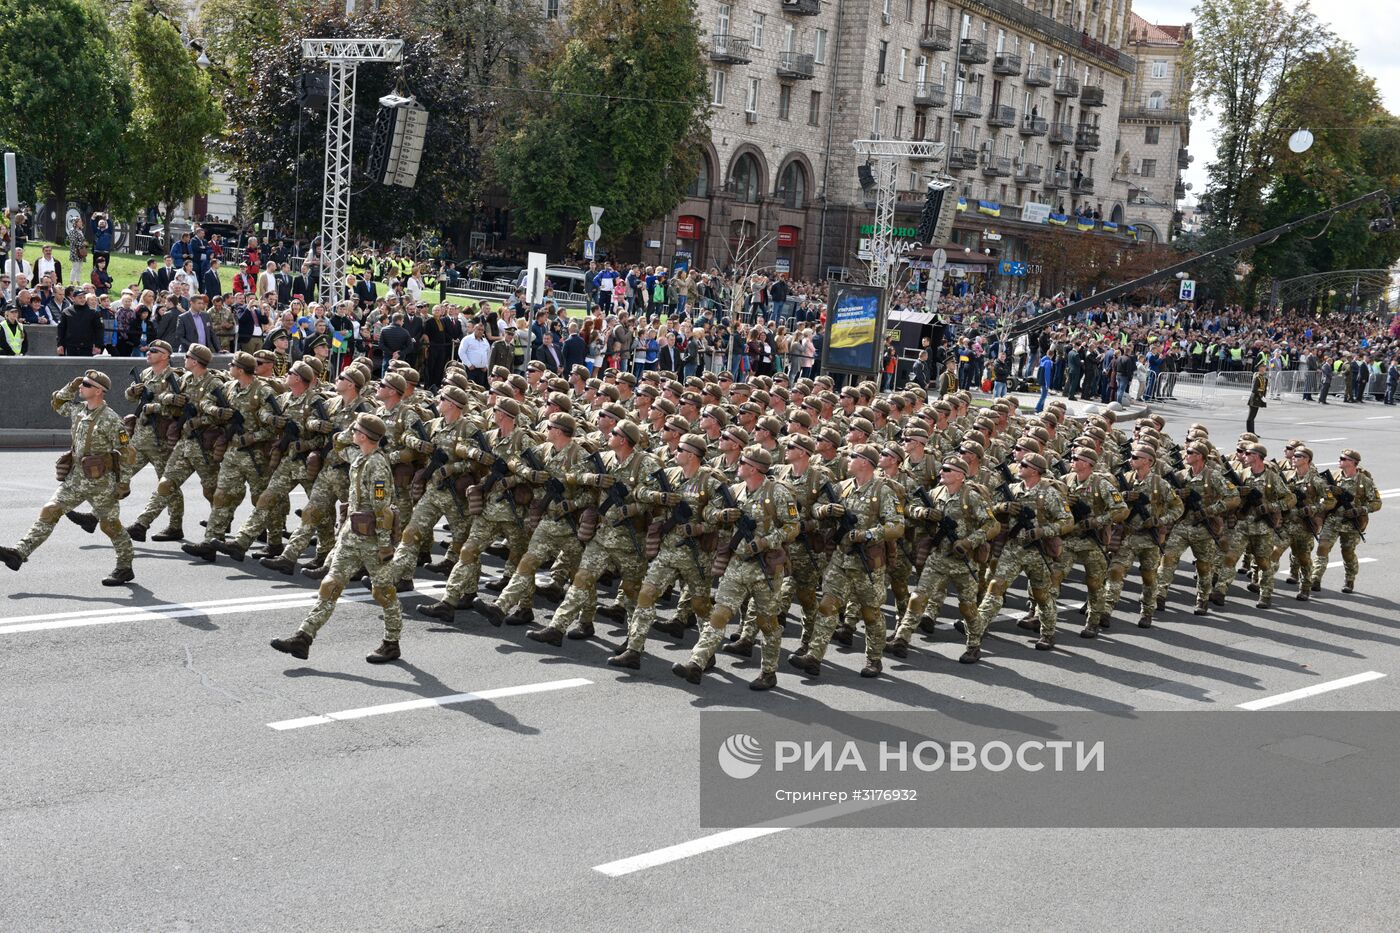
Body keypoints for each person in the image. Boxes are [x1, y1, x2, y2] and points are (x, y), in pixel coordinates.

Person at [269, 412, 406, 664]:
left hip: (373, 539)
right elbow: (338, 443)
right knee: (330, 585)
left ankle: (391, 643)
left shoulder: (377, 465)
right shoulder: (358, 455)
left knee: (383, 592)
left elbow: (382, 508)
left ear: (363, 436)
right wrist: (351, 432)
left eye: (356, 430)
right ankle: (304, 637)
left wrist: (386, 544)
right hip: (351, 535)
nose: (351, 432)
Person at [0, 371, 136, 586]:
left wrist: (124, 483)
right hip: (76, 478)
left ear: (99, 391)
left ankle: (125, 567)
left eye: (86, 384)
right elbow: (58, 402)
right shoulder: (78, 410)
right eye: (82, 383)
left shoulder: (111, 419)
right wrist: (71, 386)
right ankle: (19, 553)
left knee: (110, 526)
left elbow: (127, 453)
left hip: (101, 483)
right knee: (50, 509)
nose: (81, 387)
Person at [1312, 448, 1381, 594]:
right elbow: (1320, 493)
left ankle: (1349, 580)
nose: (1340, 460)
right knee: (1322, 547)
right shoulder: (1334, 476)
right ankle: (1315, 579)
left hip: (1351, 523)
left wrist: (1359, 510)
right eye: (1340, 458)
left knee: (1348, 552)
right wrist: (1329, 489)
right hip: (1332, 519)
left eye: (1343, 459)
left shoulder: (1364, 481)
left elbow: (1376, 503)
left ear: (1353, 463)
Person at [1246, 362, 1268, 434]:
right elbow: (1254, 389)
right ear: (1260, 368)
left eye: (1265, 366)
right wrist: (1261, 396)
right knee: (1251, 417)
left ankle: (1252, 432)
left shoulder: (1264, 378)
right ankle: (1250, 433)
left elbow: (1264, 389)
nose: (1265, 368)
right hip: (1255, 398)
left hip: (1259, 398)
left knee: (1253, 417)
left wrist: (1263, 397)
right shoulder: (1257, 377)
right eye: (1263, 366)